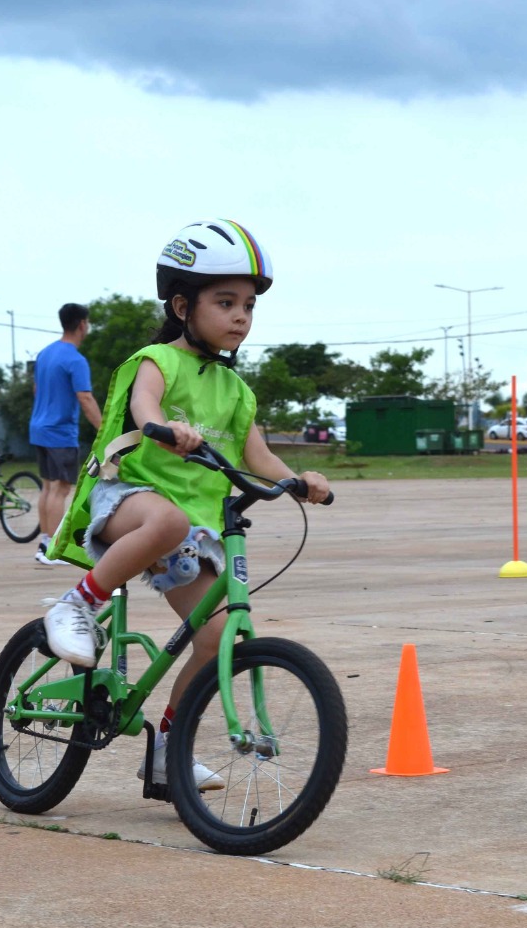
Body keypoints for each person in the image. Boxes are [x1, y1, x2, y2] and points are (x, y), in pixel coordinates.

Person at [44, 219, 330, 791]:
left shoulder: (237, 391)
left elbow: (258, 456)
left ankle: (167, 752)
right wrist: (164, 427)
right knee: (168, 519)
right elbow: (144, 406)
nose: (240, 316)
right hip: (127, 499)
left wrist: (301, 480)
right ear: (182, 306)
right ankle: (74, 607)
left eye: (248, 305)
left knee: (217, 637)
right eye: (225, 302)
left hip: (188, 532)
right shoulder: (158, 359)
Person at [30, 302, 103, 565]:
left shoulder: (45, 354)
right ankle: (52, 548)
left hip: (39, 428)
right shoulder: (75, 359)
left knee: (48, 487)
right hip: (60, 432)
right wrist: (103, 429)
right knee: (60, 489)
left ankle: (44, 543)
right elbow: (85, 398)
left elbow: (36, 390)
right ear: (82, 324)